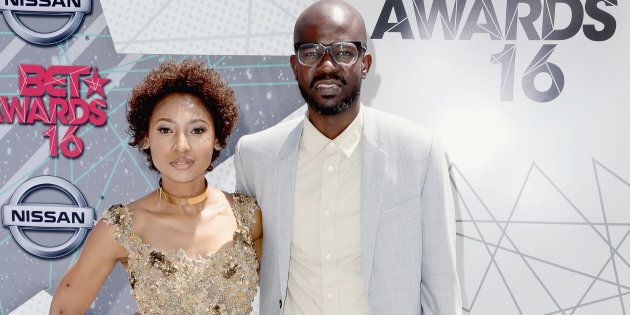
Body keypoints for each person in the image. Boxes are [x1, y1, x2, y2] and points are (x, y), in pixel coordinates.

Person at [233, 0, 462, 314]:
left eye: (343, 51)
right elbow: (242, 270)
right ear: (294, 64)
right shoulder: (255, 156)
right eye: (311, 52)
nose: (327, 65)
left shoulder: (418, 152)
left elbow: (441, 290)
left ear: (365, 63)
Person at [50, 59, 262, 315]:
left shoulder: (248, 217)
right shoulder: (122, 226)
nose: (181, 146)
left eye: (197, 130)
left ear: (217, 138)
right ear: (145, 138)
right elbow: (63, 309)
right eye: (165, 129)